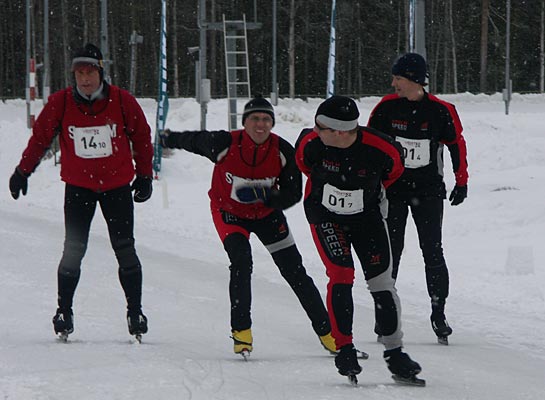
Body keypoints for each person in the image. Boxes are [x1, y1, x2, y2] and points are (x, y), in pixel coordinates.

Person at [160, 95, 336, 357]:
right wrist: (169, 138)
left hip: (266, 215)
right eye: (255, 118)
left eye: (266, 119)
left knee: (294, 270)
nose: (260, 125)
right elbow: (194, 140)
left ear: (272, 123)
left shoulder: (282, 150)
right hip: (229, 213)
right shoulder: (224, 143)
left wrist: (267, 197)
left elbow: (293, 193)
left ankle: (328, 333)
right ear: (245, 122)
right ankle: (241, 333)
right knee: (242, 262)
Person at [8, 43, 153, 341]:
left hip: (117, 188)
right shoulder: (61, 103)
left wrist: (145, 174)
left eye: (90, 73)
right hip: (79, 188)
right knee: (73, 249)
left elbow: (141, 136)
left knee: (125, 249)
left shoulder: (122, 101)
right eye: (79, 73)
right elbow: (41, 138)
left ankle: (135, 311)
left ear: (101, 72)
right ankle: (64, 311)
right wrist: (23, 170)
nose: (85, 79)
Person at [295, 95, 423, 384]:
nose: (314, 131)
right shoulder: (310, 143)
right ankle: (345, 347)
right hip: (325, 215)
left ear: (341, 131)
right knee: (341, 274)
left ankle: (395, 352)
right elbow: (305, 166)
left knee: (381, 283)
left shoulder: (382, 148)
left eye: (321, 127)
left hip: (367, 218)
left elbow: (392, 174)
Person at [367, 52, 469, 345]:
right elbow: (371, 145)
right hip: (395, 191)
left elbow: (455, 144)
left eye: (397, 78)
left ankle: (439, 313)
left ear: (413, 79)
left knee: (432, 251)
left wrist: (461, 181)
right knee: (391, 251)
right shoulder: (386, 108)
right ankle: (386, 315)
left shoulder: (440, 110)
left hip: (428, 192)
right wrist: (371, 183)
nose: (393, 83)